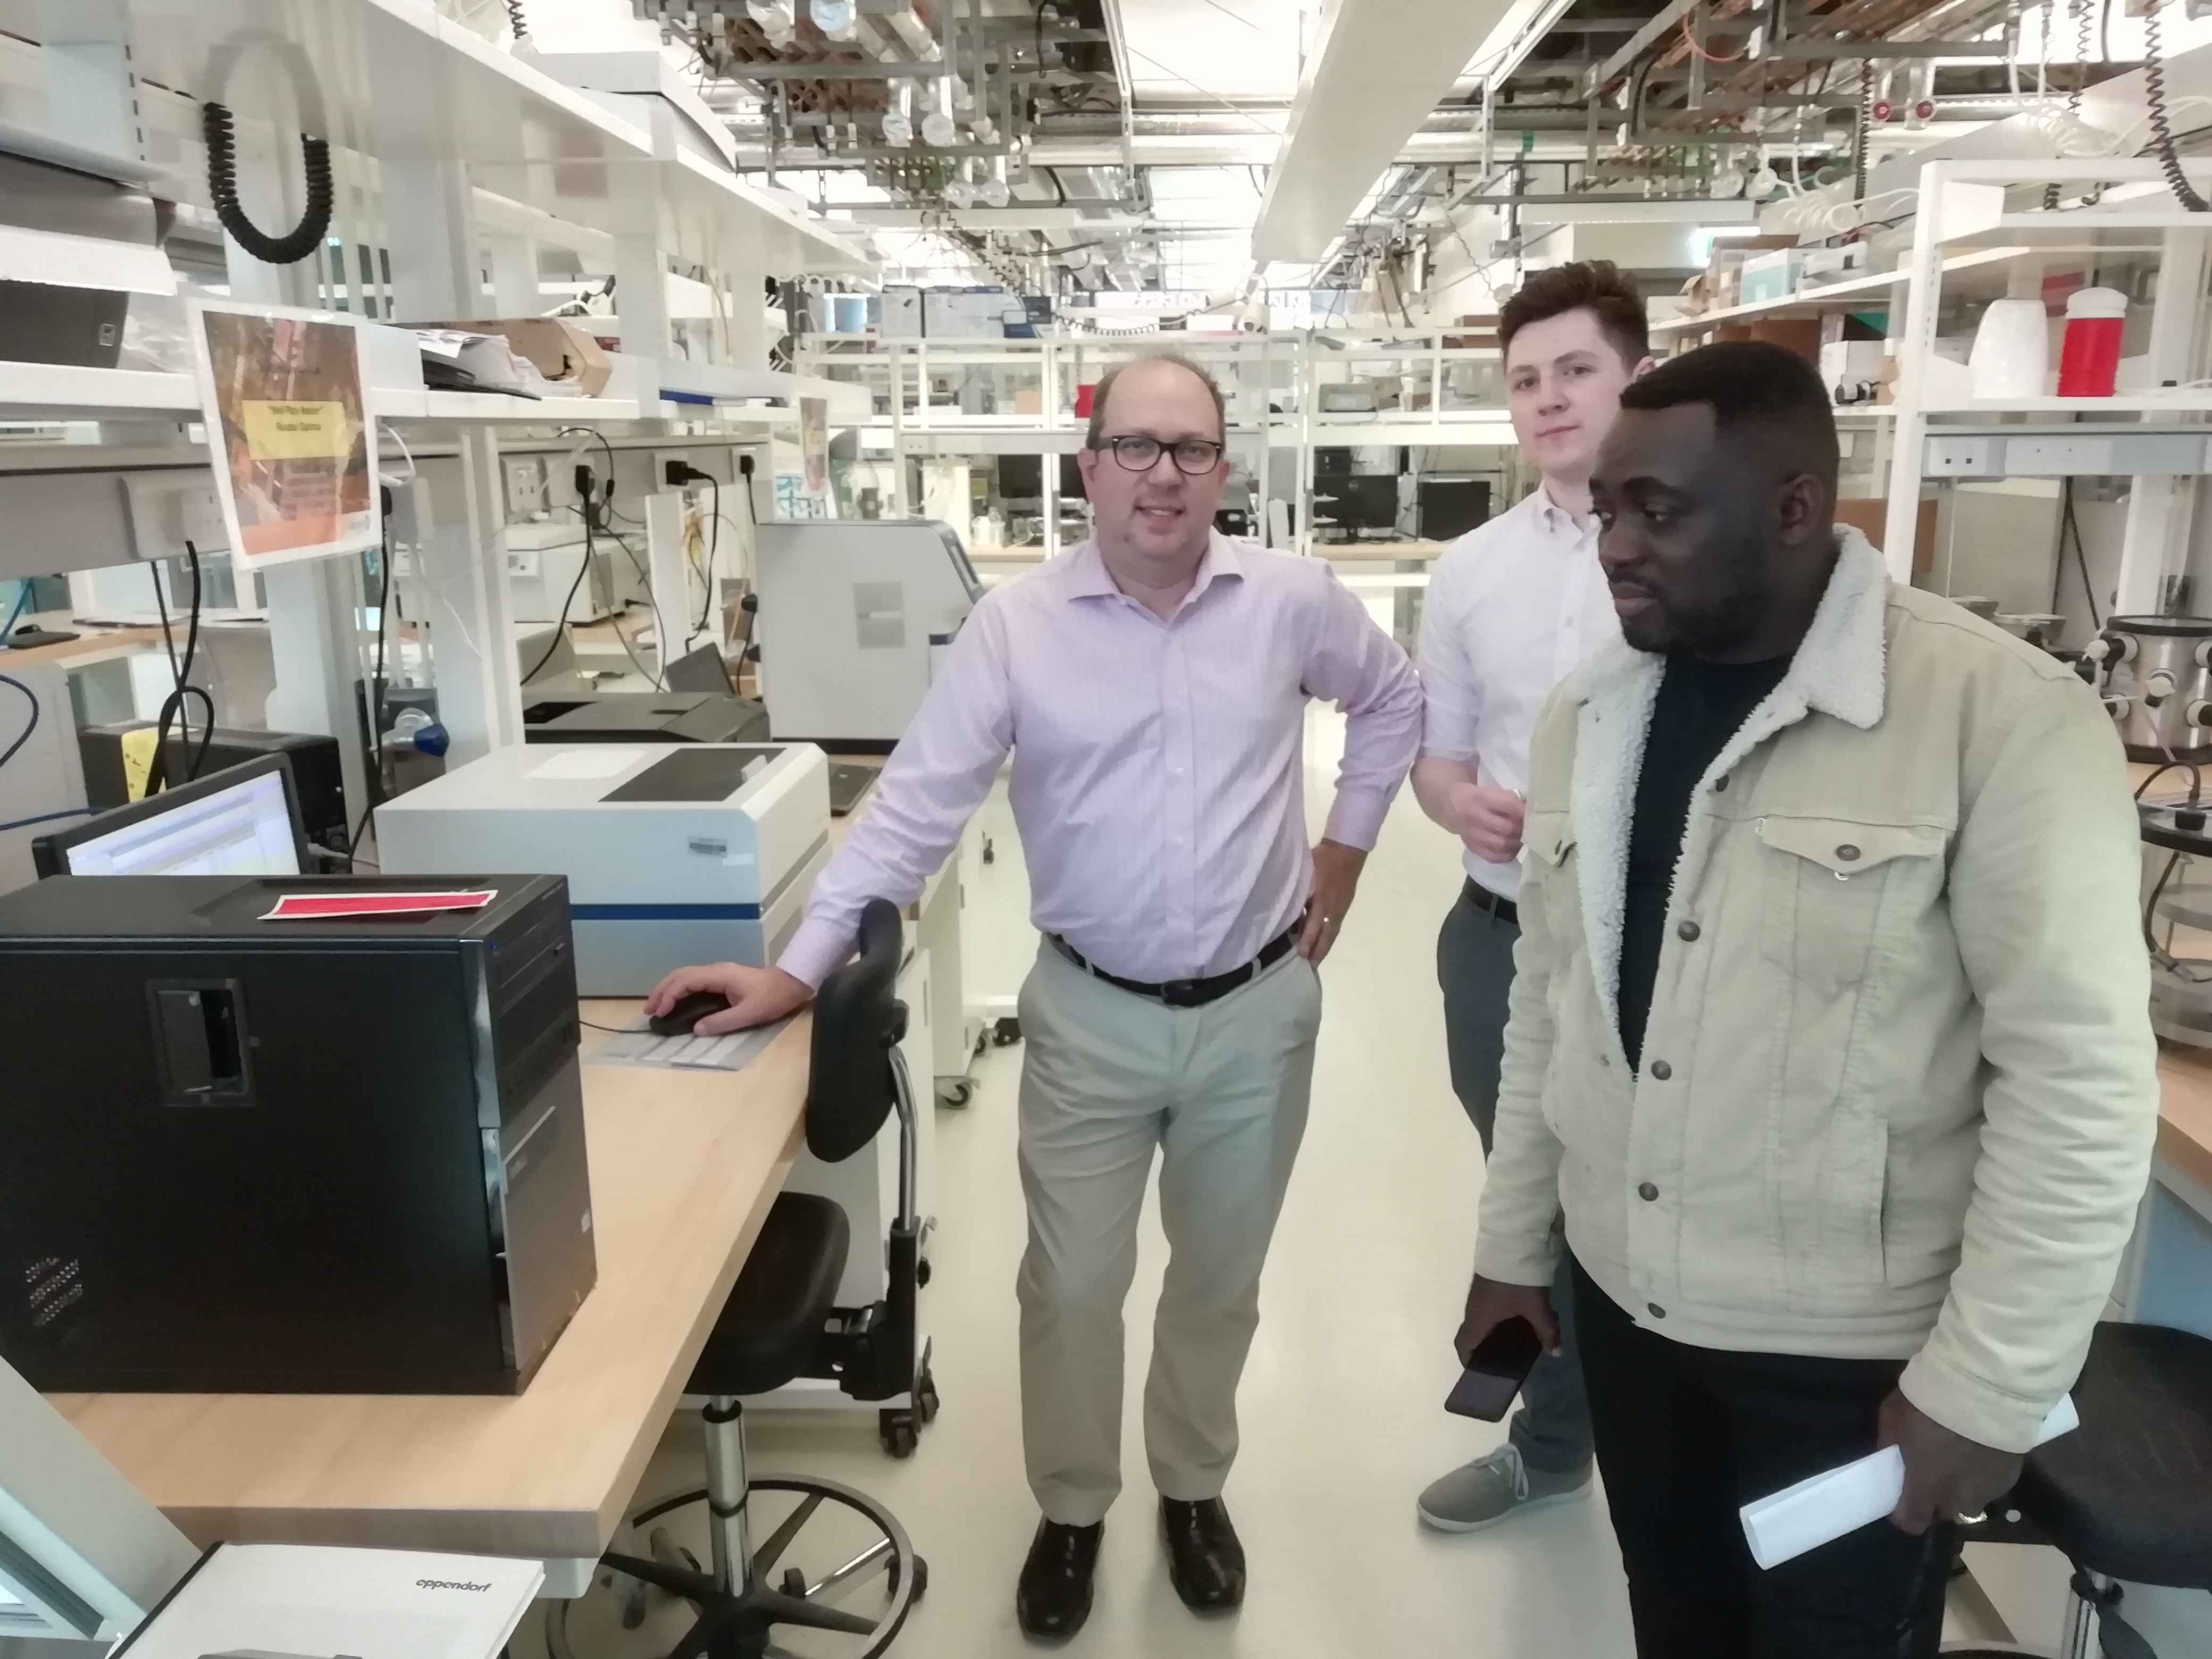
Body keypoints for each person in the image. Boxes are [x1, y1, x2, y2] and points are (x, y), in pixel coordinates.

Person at [646, 353, 1423, 1640]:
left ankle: (1191, 1489)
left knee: (1219, 1282)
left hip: (1256, 1012)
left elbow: (1391, 703)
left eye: (1187, 449)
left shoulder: (1293, 601)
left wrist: (1340, 852)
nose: (1160, 475)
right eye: (1134, 447)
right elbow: (911, 812)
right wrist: (796, 968)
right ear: (1088, 468)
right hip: (1090, 1014)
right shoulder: (1019, 627)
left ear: (1223, 470)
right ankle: (1072, 1509)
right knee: (1067, 1289)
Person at [1453, 339, 2157, 1658]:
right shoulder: (1589, 714)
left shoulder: (1994, 717)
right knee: (1679, 1621)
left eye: (1657, 510)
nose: (1613, 543)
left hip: (1846, 1362)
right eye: (1607, 507)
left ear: (1793, 507)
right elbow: (1550, 1011)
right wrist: (1512, 1245)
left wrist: (1988, 1387)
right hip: (1629, 1311)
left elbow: (2074, 1089)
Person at [1410, 261, 1652, 1533]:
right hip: (1499, 938)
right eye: (1525, 379)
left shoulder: (1698, 548)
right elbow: (1434, 760)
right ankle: (1555, 1447)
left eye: (1576, 370)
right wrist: (1456, 803)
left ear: (1635, 377)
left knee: (1656, 1200)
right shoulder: (1469, 575)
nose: (1548, 399)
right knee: (1533, 1200)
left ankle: (1686, 1445)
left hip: (1663, 944)